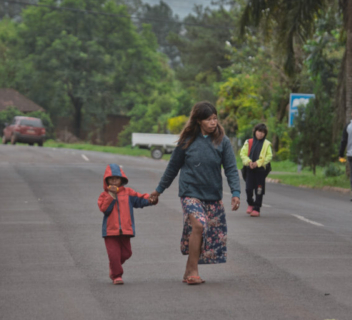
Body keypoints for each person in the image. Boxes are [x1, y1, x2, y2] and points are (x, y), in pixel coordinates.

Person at [150, 101, 241, 285]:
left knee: (203, 231)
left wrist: (236, 192)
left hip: (212, 195)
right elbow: (173, 167)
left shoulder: (222, 141)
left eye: (215, 118)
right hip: (190, 192)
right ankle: (193, 271)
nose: (213, 122)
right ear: (199, 121)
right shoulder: (187, 140)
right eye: (209, 119)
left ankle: (187, 270)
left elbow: (231, 168)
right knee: (199, 225)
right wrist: (159, 190)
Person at [98, 163, 155, 285]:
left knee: (127, 253)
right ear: (106, 181)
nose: (114, 181)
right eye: (111, 179)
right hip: (110, 231)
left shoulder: (128, 193)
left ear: (121, 180)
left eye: (116, 178)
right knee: (114, 255)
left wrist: (151, 199)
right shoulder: (104, 195)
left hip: (126, 230)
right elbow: (105, 209)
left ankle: (114, 266)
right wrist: (111, 195)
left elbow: (140, 199)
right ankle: (116, 275)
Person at [240, 123, 273, 217]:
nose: (260, 134)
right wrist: (249, 162)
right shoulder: (248, 142)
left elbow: (269, 156)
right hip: (249, 169)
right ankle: (250, 203)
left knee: (259, 190)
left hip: (260, 171)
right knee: (248, 189)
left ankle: (257, 208)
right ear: (255, 131)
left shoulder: (267, 144)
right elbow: (243, 154)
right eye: (259, 131)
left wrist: (258, 163)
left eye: (263, 132)